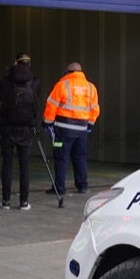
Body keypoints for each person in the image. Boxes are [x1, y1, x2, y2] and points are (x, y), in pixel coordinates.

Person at [43, 61, 100, 196]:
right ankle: (82, 186)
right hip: (81, 131)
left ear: (68, 72)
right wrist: (90, 125)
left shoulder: (62, 85)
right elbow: (95, 109)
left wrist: (47, 123)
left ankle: (59, 188)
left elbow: (51, 105)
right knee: (80, 157)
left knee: (61, 158)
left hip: (63, 130)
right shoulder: (91, 87)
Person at [0, 52, 41, 210]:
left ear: (16, 63)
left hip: (7, 129)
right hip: (26, 129)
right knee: (24, 166)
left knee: (7, 165)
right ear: (29, 64)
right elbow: (36, 98)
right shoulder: (34, 82)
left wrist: (8, 74)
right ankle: (24, 202)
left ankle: (6, 201)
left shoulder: (7, 81)